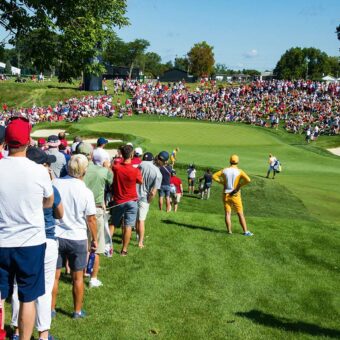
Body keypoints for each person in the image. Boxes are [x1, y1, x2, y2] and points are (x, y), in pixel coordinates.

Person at [0, 118, 54, 340]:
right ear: (28, 142)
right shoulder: (39, 171)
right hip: (30, 242)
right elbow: (49, 202)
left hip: (2, 240)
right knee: (28, 297)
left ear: (6, 142)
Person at [11, 147, 63, 340]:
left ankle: (17, 330)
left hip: (21, 239)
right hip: (45, 238)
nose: (48, 166)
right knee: (43, 289)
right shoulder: (48, 185)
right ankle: (43, 334)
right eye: (46, 163)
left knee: (19, 286)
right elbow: (60, 213)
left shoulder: (17, 183)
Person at [52, 154, 98, 318]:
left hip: (56, 235)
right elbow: (91, 219)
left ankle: (50, 310)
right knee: (77, 278)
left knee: (54, 277)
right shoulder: (85, 191)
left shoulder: (55, 183)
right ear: (84, 170)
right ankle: (77, 311)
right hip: (77, 237)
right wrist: (95, 239)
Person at [76, 142, 113, 288]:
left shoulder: (71, 170)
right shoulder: (101, 171)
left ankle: (81, 272)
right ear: (91, 155)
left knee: (83, 243)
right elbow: (111, 181)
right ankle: (93, 278)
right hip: (95, 210)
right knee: (96, 245)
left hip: (77, 210)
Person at [110, 144, 142, 256]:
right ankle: (124, 250)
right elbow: (140, 181)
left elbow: (111, 168)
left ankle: (108, 246)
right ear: (132, 154)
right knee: (128, 225)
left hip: (119, 201)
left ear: (122, 154)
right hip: (132, 201)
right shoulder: (135, 170)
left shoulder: (116, 167)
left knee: (113, 223)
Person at [212, 154, 253, 236]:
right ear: (237, 162)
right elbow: (248, 180)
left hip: (225, 194)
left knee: (227, 213)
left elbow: (214, 176)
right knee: (240, 213)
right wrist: (239, 185)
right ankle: (245, 231)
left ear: (230, 161)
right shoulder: (240, 171)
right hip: (235, 195)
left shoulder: (224, 170)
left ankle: (229, 231)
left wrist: (222, 182)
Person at [136, 152, 162, 248]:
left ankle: (136, 236)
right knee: (141, 220)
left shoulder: (141, 164)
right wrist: (149, 200)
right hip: (144, 197)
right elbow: (153, 192)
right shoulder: (158, 173)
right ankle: (140, 242)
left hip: (134, 195)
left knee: (136, 218)